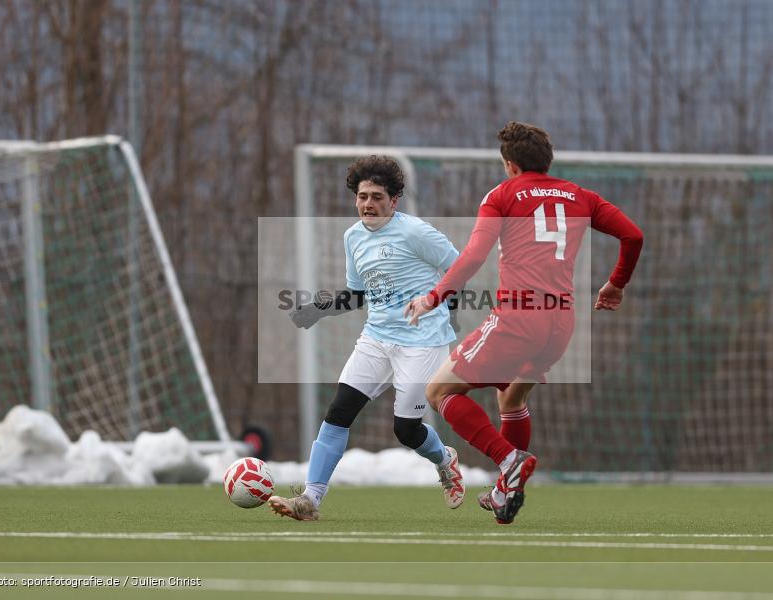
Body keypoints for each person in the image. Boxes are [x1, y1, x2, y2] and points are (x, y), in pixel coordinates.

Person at [405, 122, 643, 524]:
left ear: (510, 165)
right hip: (561, 324)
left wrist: (434, 296)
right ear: (547, 161)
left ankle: (508, 459)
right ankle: (505, 492)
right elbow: (633, 236)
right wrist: (616, 284)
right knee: (512, 400)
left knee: (439, 390)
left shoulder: (503, 195)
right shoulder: (581, 196)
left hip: (518, 317)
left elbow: (474, 254)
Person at [268, 156, 464, 520]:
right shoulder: (353, 237)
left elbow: (460, 267)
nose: (368, 204)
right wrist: (319, 309)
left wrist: (446, 308)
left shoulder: (415, 232)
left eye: (377, 197)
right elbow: (358, 293)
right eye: (362, 196)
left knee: (406, 430)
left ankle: (444, 461)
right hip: (376, 338)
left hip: (423, 341)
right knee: (338, 412)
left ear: (394, 200)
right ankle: (310, 499)